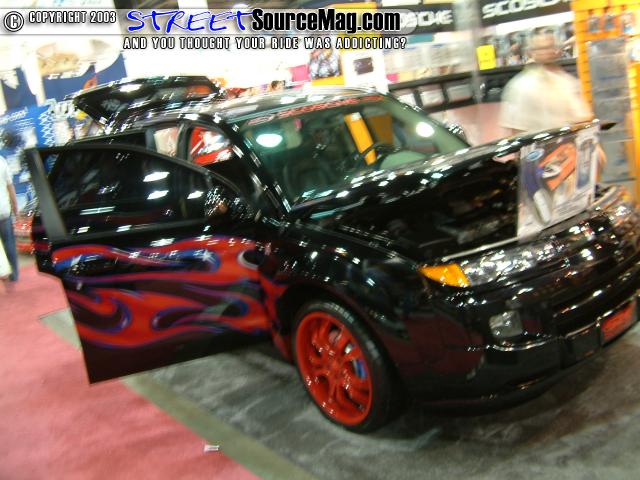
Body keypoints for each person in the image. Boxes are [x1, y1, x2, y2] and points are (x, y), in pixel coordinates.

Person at [499, 31, 593, 135]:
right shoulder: (520, 86)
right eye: (541, 48)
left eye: (550, 47)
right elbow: (515, 129)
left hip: (565, 142)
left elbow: (583, 118)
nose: (546, 52)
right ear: (531, 52)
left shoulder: (568, 82)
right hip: (535, 144)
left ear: (558, 50)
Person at [0, 154, 18, 284]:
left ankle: (3, 271)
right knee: (8, 242)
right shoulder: (2, 161)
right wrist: (15, 205)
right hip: (4, 210)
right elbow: (10, 185)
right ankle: (14, 273)